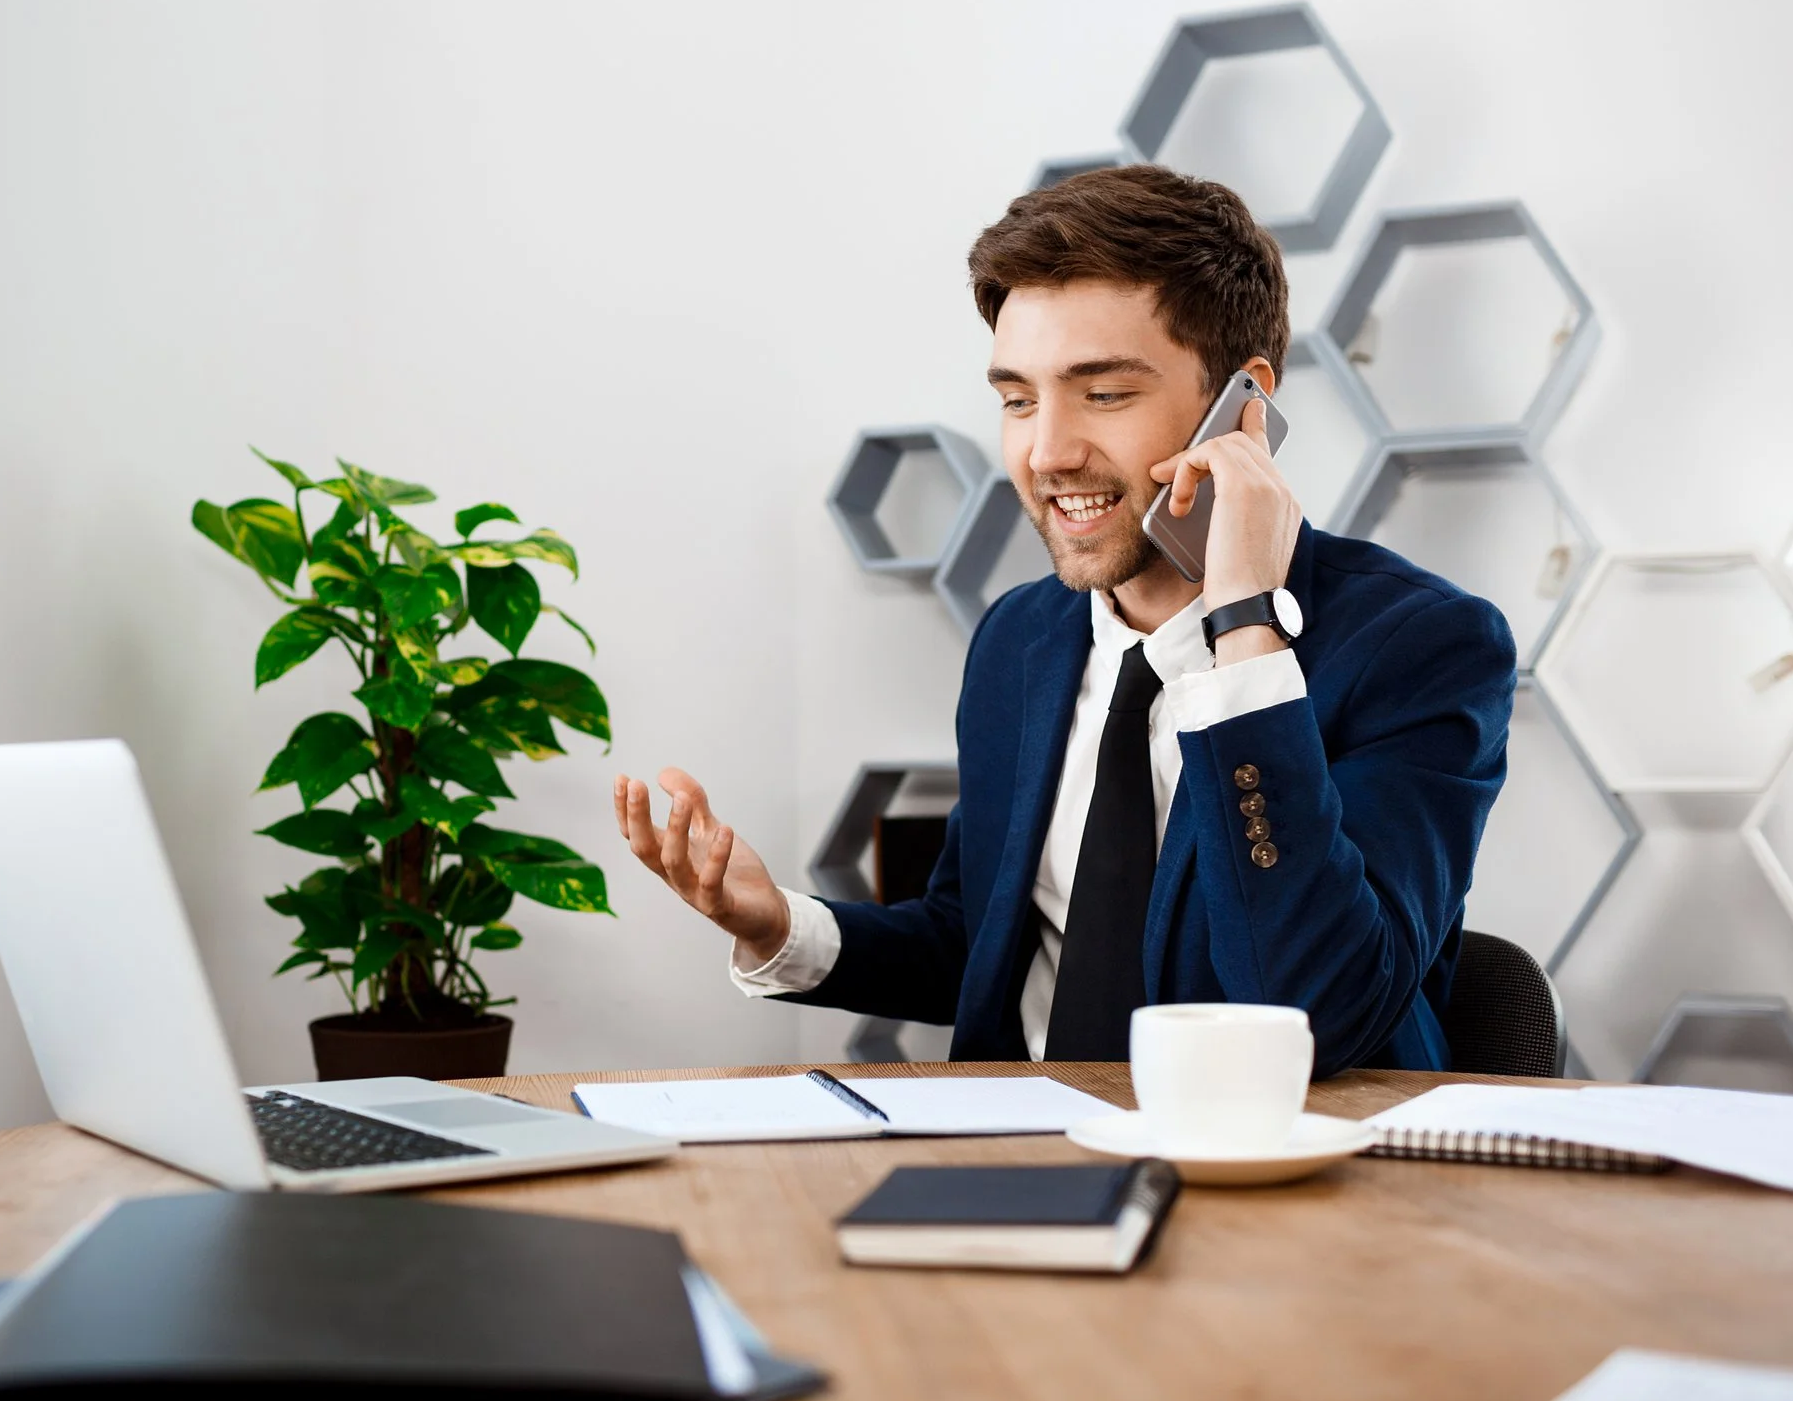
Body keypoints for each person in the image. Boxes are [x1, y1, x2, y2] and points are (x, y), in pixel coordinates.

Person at [613, 165, 1515, 1075]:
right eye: (1016, 398)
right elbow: (982, 940)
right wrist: (778, 924)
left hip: (1284, 1177)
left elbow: (1323, 1008)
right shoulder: (1021, 639)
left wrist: (1243, 628)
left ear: (1242, 405)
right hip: (1021, 1167)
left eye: (1105, 393)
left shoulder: (1422, 648)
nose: (1046, 451)